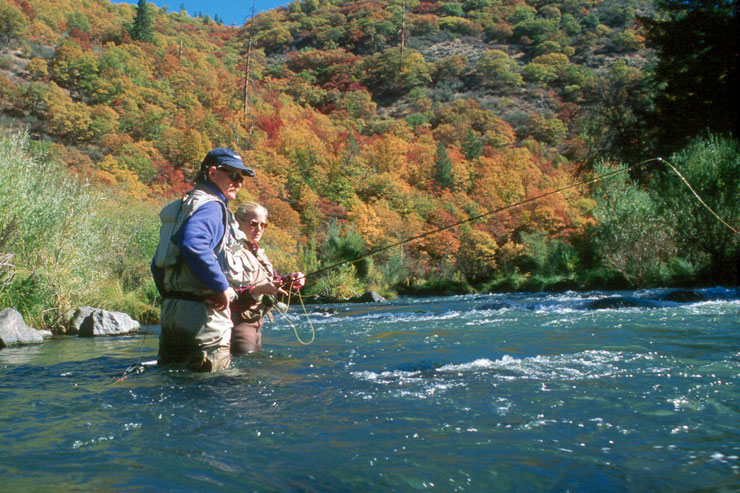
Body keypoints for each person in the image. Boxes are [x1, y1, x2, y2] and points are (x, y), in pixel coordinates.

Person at [152, 147, 255, 372]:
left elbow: (157, 265)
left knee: (173, 390)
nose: (239, 183)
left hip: (172, 314)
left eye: (242, 178)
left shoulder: (182, 206)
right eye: (234, 175)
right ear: (212, 173)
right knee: (212, 394)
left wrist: (172, 297)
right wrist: (220, 287)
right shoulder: (211, 206)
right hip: (202, 317)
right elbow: (194, 243)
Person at [228, 202, 305, 354]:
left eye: (263, 226)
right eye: (253, 224)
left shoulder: (257, 251)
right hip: (238, 326)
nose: (259, 230)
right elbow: (227, 293)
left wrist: (292, 279)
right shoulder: (229, 251)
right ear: (237, 221)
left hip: (257, 324)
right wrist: (258, 291)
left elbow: (274, 280)